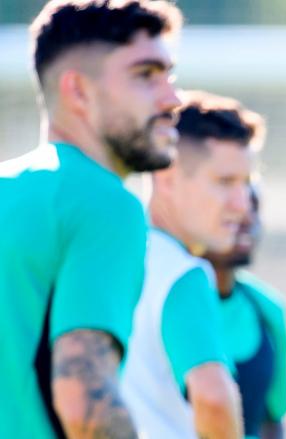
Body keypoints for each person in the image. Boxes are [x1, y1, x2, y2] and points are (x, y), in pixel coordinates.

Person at [0, 1, 181, 437]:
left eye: (169, 76)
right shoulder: (104, 202)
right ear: (78, 91)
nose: (172, 98)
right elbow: (86, 406)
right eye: (145, 75)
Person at [120, 91, 263, 439]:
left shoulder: (114, 255)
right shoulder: (183, 274)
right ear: (166, 179)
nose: (242, 204)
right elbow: (213, 396)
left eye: (245, 184)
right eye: (225, 182)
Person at [204, 185, 286, 439]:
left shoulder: (268, 309)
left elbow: (273, 422)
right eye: (232, 207)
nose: (246, 218)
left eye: (253, 206)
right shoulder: (157, 299)